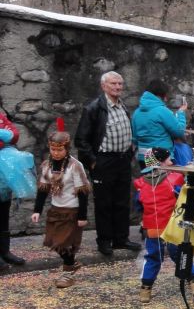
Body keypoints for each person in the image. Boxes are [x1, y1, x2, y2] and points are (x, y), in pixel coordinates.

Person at [75, 71, 140, 256]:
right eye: (113, 83)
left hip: (122, 160)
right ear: (104, 86)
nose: (118, 87)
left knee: (122, 201)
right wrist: (93, 162)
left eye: (120, 83)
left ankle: (121, 239)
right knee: (104, 203)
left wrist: (129, 154)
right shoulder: (93, 108)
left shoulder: (122, 106)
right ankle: (104, 241)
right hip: (103, 161)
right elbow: (81, 139)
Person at [133, 148, 194, 304]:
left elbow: (138, 205)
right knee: (181, 254)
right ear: (160, 162)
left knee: (152, 257)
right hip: (173, 228)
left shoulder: (140, 183)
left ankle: (145, 290)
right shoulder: (174, 179)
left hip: (152, 228)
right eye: (168, 160)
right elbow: (185, 198)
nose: (171, 162)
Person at [31, 128, 90, 289]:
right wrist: (37, 210)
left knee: (64, 243)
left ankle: (68, 272)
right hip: (56, 209)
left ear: (67, 149)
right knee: (53, 242)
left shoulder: (75, 166)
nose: (56, 153)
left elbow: (83, 192)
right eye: (53, 149)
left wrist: (82, 216)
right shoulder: (47, 165)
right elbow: (43, 190)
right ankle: (72, 263)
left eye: (60, 150)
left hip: (71, 210)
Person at [131, 79, 188, 166]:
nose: (166, 99)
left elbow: (135, 138)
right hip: (162, 158)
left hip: (143, 158)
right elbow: (179, 131)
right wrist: (180, 113)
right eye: (165, 95)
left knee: (149, 176)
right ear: (161, 95)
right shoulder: (162, 111)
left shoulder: (137, 112)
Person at [0, 105, 28, 266]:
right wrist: (4, 136)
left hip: (3, 176)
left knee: (3, 214)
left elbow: (15, 135)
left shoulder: (1, 117)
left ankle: (5, 251)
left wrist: (6, 135)